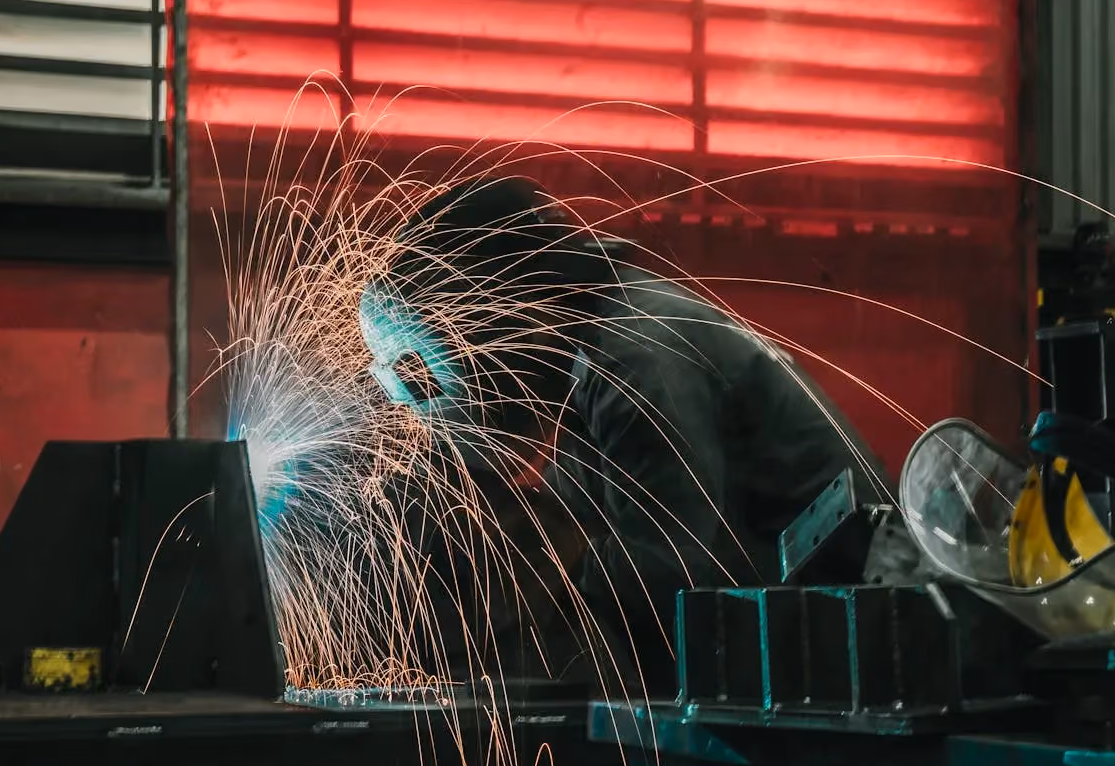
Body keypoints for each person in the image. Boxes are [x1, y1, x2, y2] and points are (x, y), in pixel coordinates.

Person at [359, 175, 891, 697]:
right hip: (802, 640)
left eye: (420, 373)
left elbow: (671, 572)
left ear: (493, 314)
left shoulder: (633, 356)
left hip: (868, 642)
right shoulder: (580, 362)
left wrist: (539, 558)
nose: (417, 404)